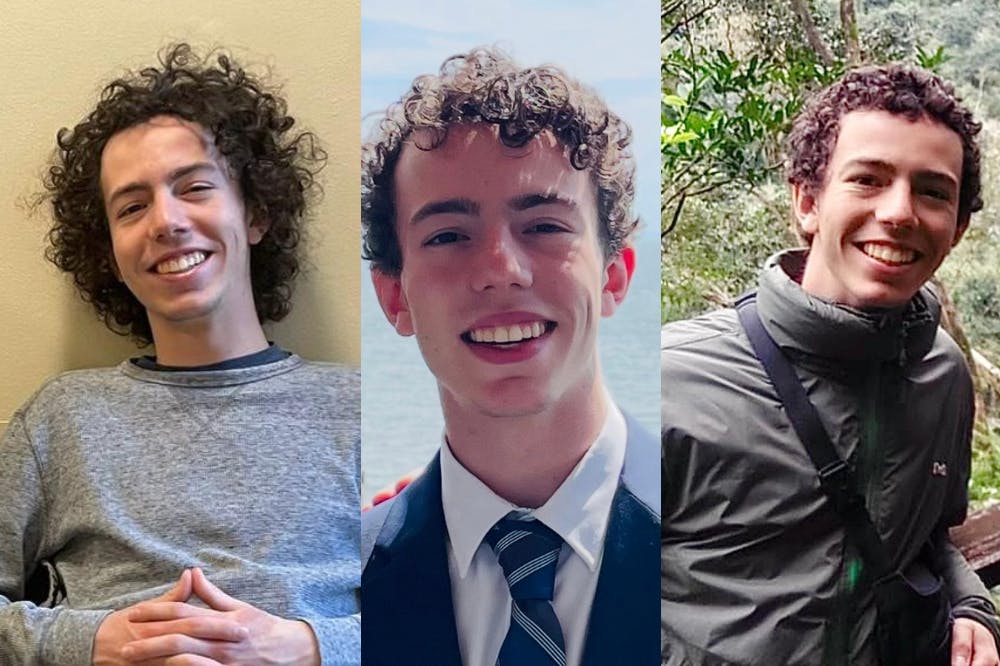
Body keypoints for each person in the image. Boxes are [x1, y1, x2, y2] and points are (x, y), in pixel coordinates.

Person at [0, 44, 360, 665]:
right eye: (132, 207)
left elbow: (457, 610)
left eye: (194, 187)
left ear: (256, 213)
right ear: (109, 248)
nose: (166, 222)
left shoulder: (356, 409)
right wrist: (89, 641)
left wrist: (309, 647)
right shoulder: (60, 419)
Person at [662, 64, 1000, 665]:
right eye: (868, 179)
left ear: (958, 228)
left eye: (932, 191)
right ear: (808, 201)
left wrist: (970, 604)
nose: (900, 212)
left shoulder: (942, 374)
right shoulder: (673, 381)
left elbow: (927, 536)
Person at [360, 47, 659, 665]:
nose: (501, 270)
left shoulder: (725, 536)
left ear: (614, 275)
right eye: (448, 236)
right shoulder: (340, 587)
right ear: (394, 295)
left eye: (545, 226)